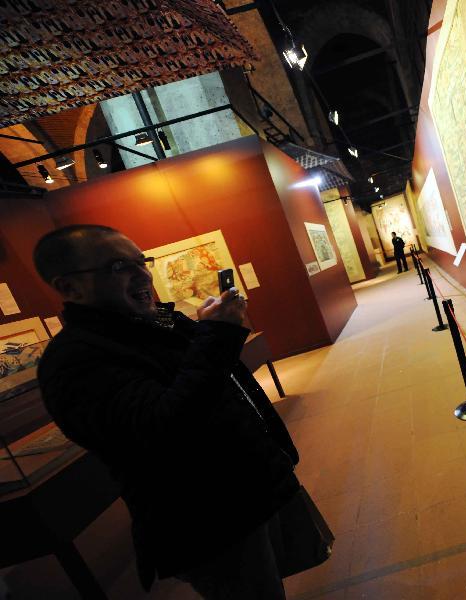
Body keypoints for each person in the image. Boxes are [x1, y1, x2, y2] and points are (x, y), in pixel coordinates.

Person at [33, 225, 301, 598]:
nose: (142, 274)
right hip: (206, 523)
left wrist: (209, 328)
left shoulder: (153, 320)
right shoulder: (74, 361)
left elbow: (210, 383)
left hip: (245, 494)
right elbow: (166, 426)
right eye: (117, 266)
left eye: (141, 261)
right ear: (69, 288)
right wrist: (217, 336)